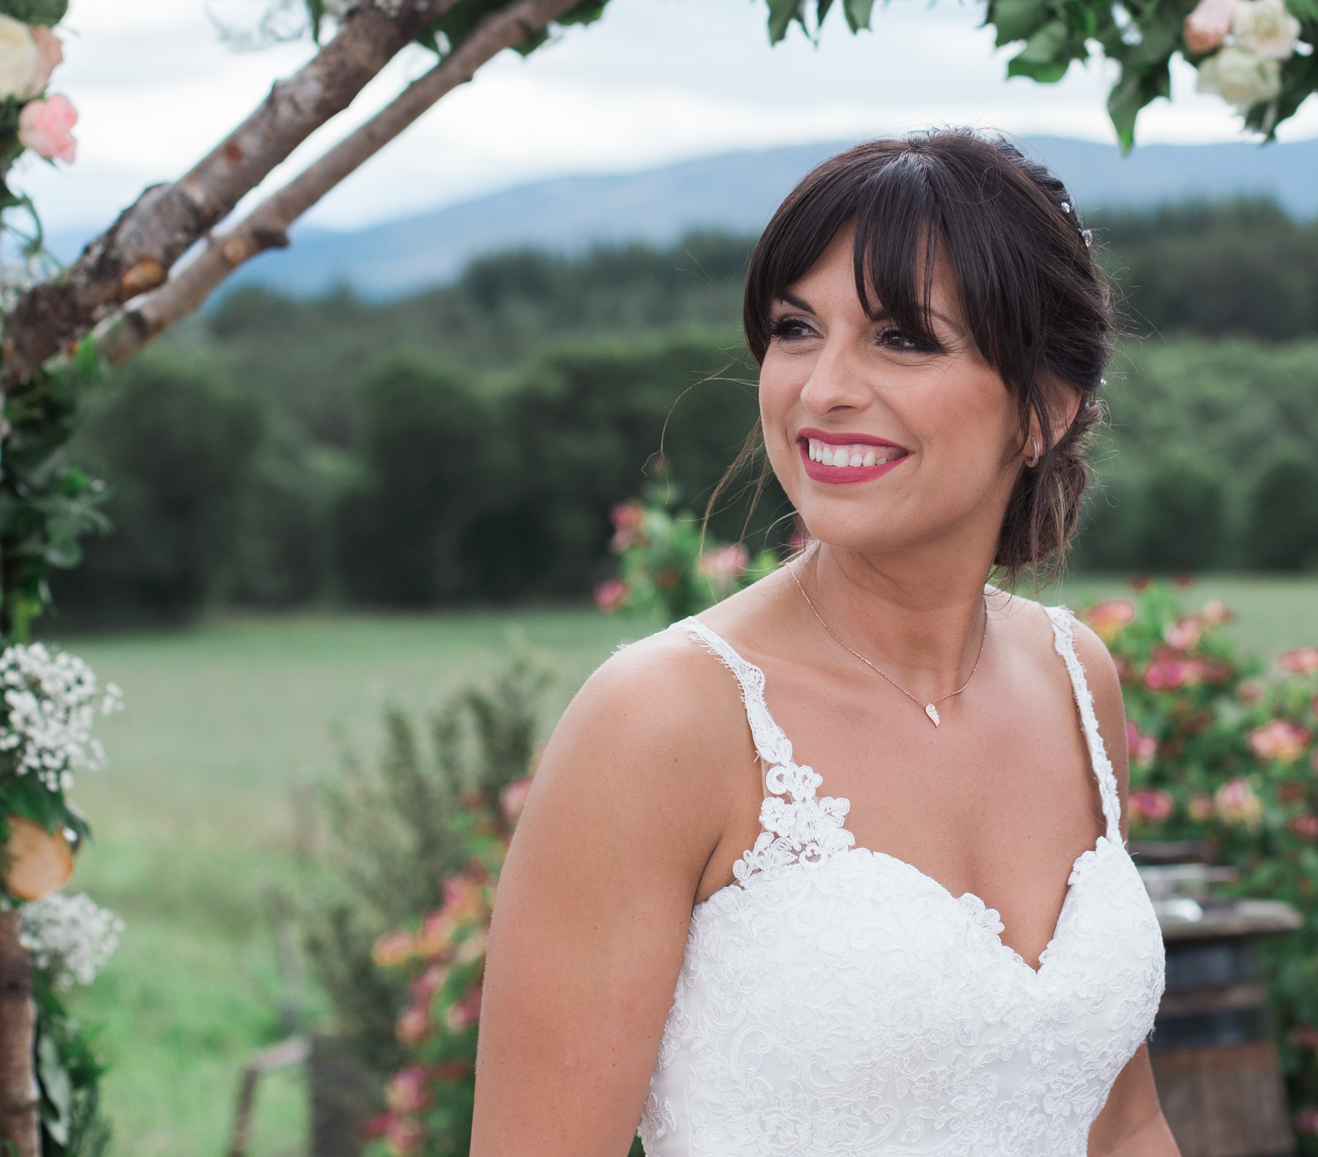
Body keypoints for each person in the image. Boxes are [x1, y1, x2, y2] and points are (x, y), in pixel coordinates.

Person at [469, 132, 1176, 1157]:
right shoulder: (664, 716)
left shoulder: (1076, 679)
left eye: (900, 338)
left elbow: (1121, 1122)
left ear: (1044, 409)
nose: (822, 387)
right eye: (797, 328)